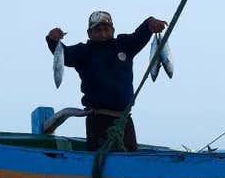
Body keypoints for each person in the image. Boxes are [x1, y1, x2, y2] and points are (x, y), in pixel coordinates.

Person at [46, 11, 167, 152]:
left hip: (124, 120)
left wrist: (150, 23)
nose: (103, 33)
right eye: (97, 30)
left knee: (130, 163)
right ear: (89, 33)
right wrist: (52, 40)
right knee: (101, 163)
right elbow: (63, 55)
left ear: (113, 30)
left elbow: (139, 35)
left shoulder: (124, 45)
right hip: (96, 120)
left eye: (106, 29)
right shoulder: (83, 52)